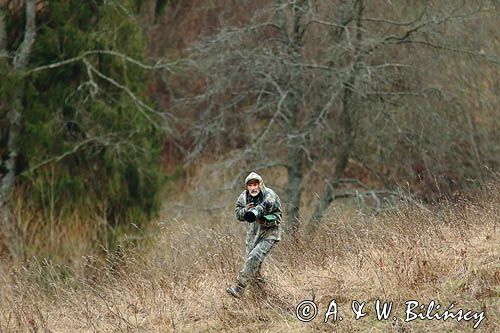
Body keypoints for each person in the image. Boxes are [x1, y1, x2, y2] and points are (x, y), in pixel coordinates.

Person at [226, 171, 282, 298]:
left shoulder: (270, 196)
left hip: (269, 234)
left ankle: (239, 288)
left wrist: (264, 219)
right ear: (247, 186)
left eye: (255, 185)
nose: (253, 188)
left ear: (260, 184)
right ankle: (262, 299)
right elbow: (237, 214)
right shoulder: (243, 197)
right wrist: (246, 210)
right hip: (252, 236)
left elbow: (278, 217)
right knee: (255, 269)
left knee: (254, 258)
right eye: (250, 185)